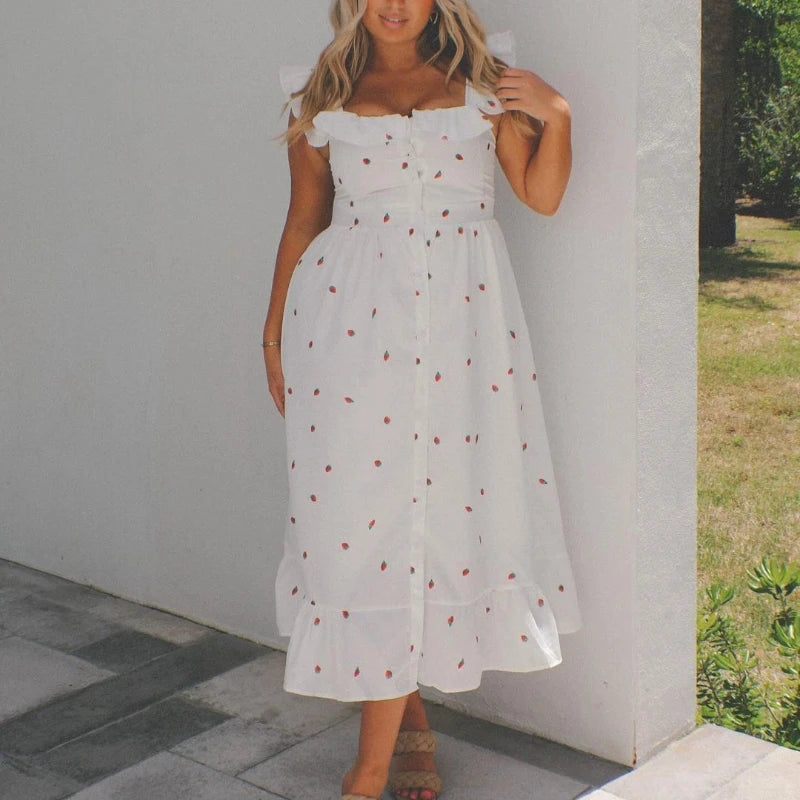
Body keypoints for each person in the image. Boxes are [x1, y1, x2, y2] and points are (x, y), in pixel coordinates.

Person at [263, 2, 582, 799]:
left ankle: (382, 752)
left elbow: (539, 196)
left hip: (463, 330)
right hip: (346, 328)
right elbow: (304, 220)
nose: (394, 4)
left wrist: (558, 113)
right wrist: (273, 340)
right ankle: (387, 744)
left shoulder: (483, 82)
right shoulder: (316, 95)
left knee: (434, 513)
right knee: (361, 519)